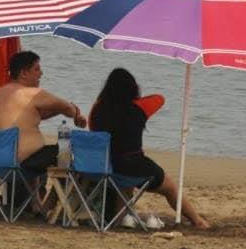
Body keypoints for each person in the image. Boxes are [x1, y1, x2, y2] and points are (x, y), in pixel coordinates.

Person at [89, 68, 210, 229]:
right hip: (135, 165)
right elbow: (159, 99)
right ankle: (197, 221)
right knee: (170, 187)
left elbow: (92, 130)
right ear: (133, 88)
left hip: (106, 166)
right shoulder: (139, 108)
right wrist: (136, 98)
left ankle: (117, 221)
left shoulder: (97, 109)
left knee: (124, 183)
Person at [0, 50, 85, 173]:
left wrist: (61, 110)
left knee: (49, 154)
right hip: (23, 164)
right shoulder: (33, 93)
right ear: (23, 73)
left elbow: (34, 115)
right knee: (68, 148)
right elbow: (68, 108)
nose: (41, 73)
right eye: (37, 69)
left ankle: (39, 190)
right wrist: (75, 113)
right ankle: (61, 191)